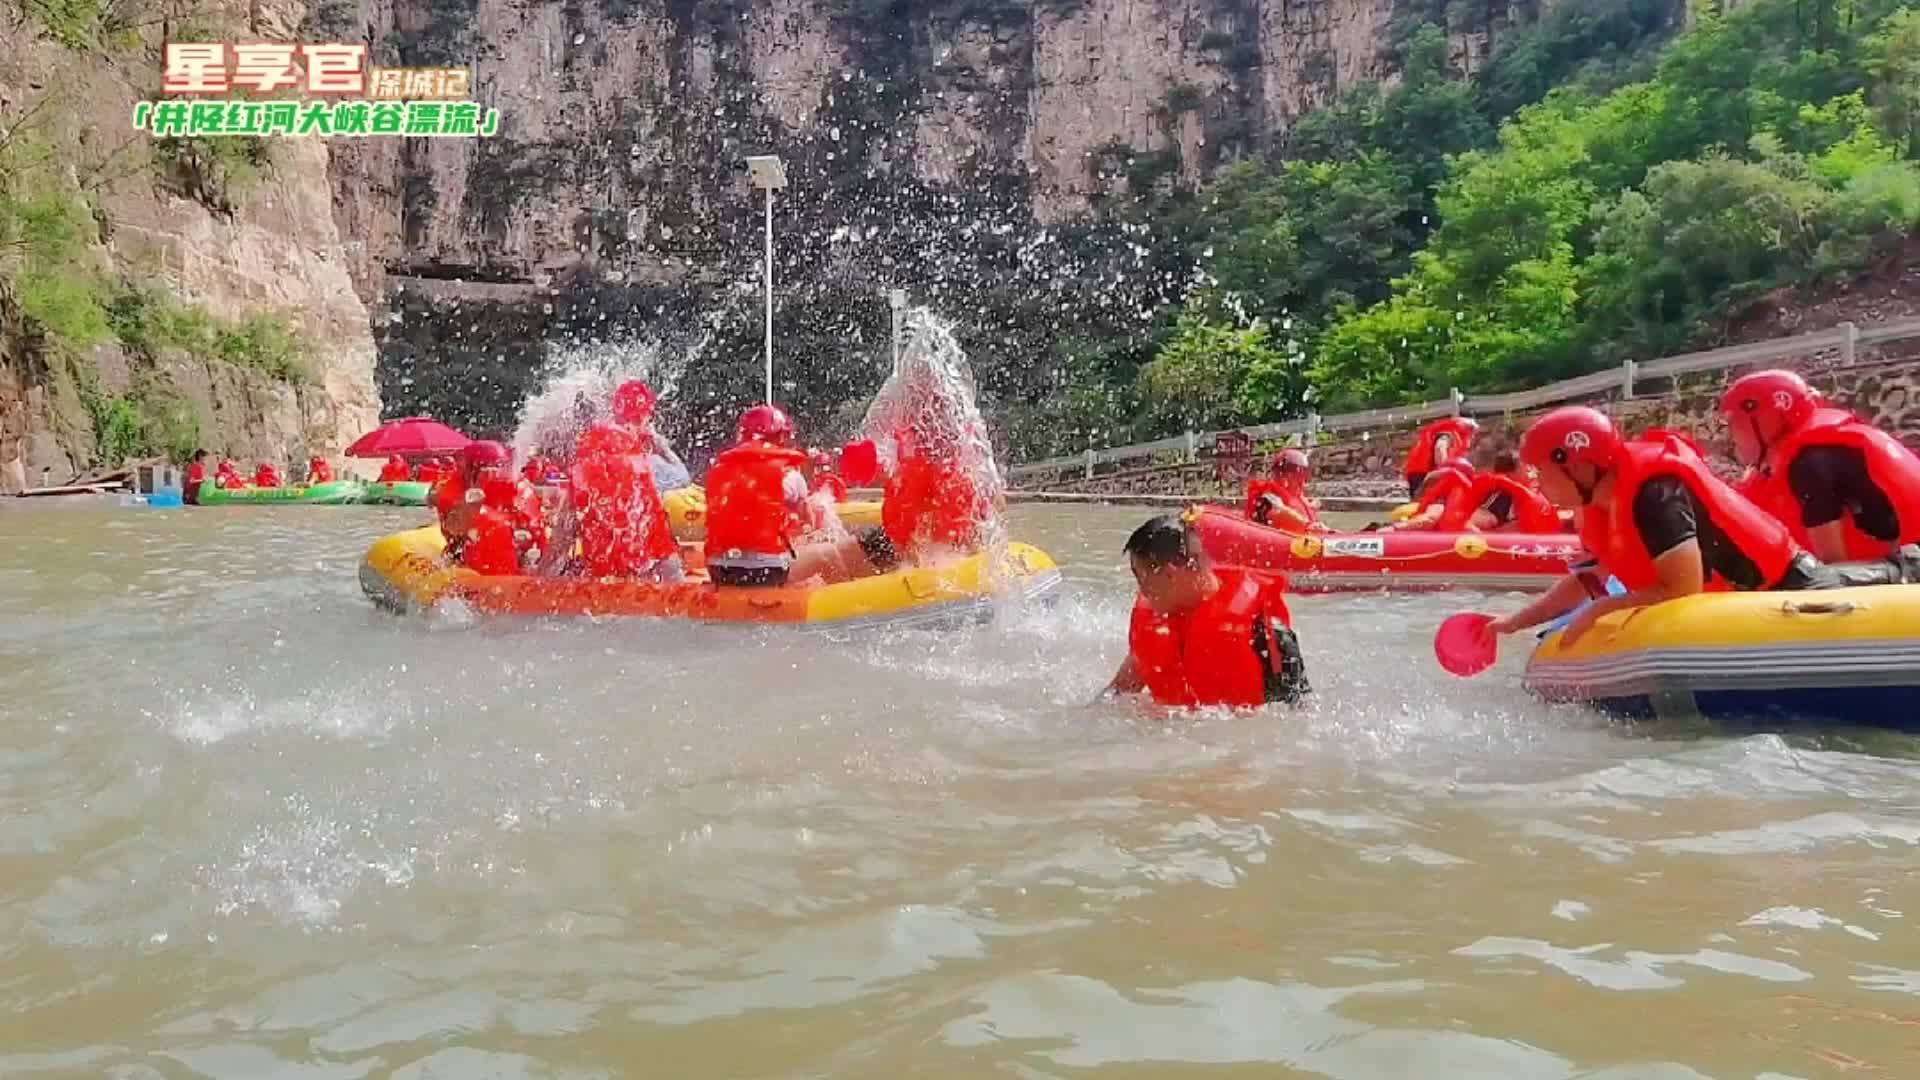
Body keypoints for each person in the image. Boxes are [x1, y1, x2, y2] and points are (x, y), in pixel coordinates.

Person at [1472, 406, 1920, 649]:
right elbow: (1585, 579)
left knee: (1890, 574)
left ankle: (1908, 564)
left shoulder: (1655, 491)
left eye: (1540, 473)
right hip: (1740, 600)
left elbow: (1682, 588)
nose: (1535, 484)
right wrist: (1512, 623)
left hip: (1789, 585)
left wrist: (1599, 611)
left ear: (1578, 466)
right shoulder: (1595, 506)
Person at [1102, 514, 1311, 709]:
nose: (1142, 590)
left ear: (1169, 575)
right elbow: (1119, 691)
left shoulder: (1261, 629)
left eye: (1142, 578)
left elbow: (1294, 717)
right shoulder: (1153, 623)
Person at [1720, 369, 1920, 562]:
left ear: (1762, 418)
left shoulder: (1809, 464)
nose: (1731, 436)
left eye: (1734, 423)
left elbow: (1833, 568)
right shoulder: (1815, 451)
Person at [702, 405, 815, 586]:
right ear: (780, 436)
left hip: (719, 568)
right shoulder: (790, 473)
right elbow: (809, 521)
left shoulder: (718, 470)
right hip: (768, 570)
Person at [568, 420, 681, 581]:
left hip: (600, 582)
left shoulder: (582, 473)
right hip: (643, 579)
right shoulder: (644, 467)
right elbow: (683, 477)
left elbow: (562, 538)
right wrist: (664, 448)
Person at [435, 440, 545, 575]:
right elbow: (453, 531)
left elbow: (535, 530)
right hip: (469, 554)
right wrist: (475, 495)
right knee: (489, 523)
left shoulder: (516, 486)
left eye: (499, 467)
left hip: (514, 556)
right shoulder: (452, 491)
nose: (496, 473)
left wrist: (520, 537)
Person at [1434, 449, 1564, 533]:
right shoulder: (1502, 496)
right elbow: (1474, 522)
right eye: (1526, 468)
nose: (1531, 472)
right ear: (1511, 474)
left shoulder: (1535, 489)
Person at [1244, 448, 1329, 533]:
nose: (1302, 480)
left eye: (1303, 474)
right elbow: (1279, 511)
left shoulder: (1300, 498)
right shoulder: (1267, 497)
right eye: (1298, 475)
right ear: (1282, 475)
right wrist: (1307, 525)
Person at [1381, 458, 1475, 532]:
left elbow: (1429, 519)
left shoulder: (1446, 494)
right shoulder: (1466, 491)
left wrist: (1395, 528)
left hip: (1445, 539)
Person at [1404, 417, 1478, 501]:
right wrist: (1445, 470)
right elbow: (1439, 448)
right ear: (1468, 429)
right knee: (1423, 501)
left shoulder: (1448, 432)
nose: (1472, 437)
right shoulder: (1449, 434)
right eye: (1472, 434)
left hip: (1418, 471)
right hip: (1423, 472)